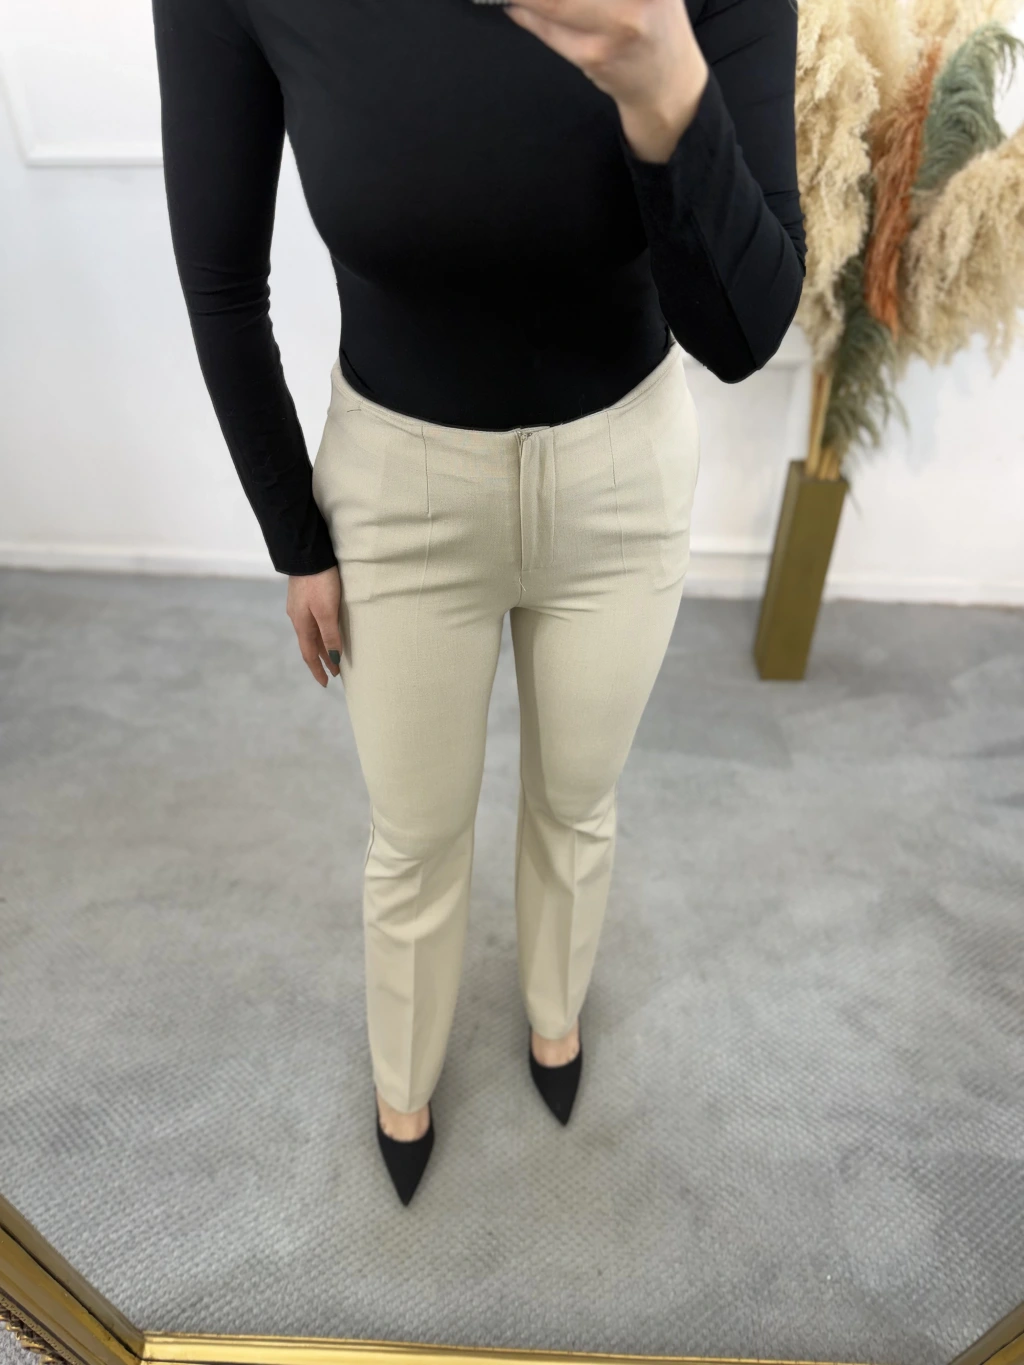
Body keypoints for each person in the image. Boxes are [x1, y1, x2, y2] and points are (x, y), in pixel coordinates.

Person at [151, 0, 805, 1207]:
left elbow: (743, 330)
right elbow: (222, 285)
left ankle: (555, 1016)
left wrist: (666, 79)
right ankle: (404, 1080)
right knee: (413, 834)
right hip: (395, 494)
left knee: (579, 799)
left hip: (621, 480)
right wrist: (297, 538)